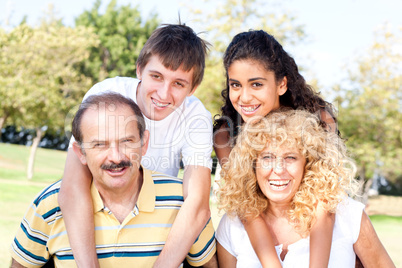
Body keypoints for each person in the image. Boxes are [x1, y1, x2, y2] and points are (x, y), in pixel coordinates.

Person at [58, 23, 214, 267]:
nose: (164, 94)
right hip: (101, 218)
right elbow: (73, 187)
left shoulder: (196, 116)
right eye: (156, 76)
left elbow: (197, 203)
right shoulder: (107, 93)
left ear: (193, 88)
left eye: (178, 84)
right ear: (140, 69)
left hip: (153, 225)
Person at [10, 92, 217, 268]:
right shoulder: (49, 205)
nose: (116, 157)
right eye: (100, 144)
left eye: (127, 141)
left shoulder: (183, 201)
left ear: (144, 144)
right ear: (80, 152)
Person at [213, 30, 337, 267]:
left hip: (316, 230)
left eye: (256, 84)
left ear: (281, 84)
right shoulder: (226, 135)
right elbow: (246, 205)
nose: (245, 97)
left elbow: (324, 200)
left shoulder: (319, 121)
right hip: (265, 235)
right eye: (236, 85)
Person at [215, 109, 395, 267]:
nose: (278, 170)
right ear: (252, 165)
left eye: (290, 158)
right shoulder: (232, 224)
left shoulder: (348, 216)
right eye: (267, 157)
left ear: (307, 164)